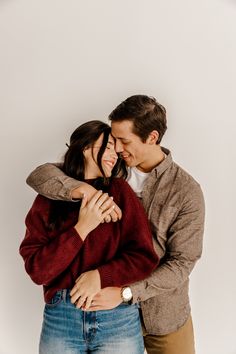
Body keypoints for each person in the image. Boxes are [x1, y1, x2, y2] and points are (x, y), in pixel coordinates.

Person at [26, 95, 205, 354]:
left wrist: (124, 292)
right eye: (112, 140)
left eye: (124, 141)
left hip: (160, 314)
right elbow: (42, 175)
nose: (117, 148)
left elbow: (182, 263)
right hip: (89, 310)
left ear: (152, 138)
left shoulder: (186, 191)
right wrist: (84, 191)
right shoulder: (111, 169)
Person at [20, 120, 159, 354]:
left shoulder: (120, 193)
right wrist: (82, 227)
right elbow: (38, 271)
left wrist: (101, 276)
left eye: (116, 149)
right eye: (107, 147)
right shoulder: (49, 197)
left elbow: (144, 257)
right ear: (85, 148)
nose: (114, 155)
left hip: (117, 318)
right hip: (62, 317)